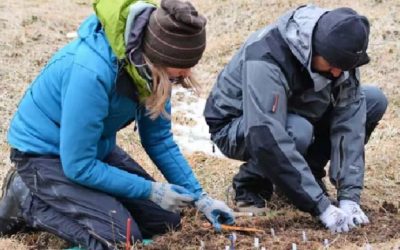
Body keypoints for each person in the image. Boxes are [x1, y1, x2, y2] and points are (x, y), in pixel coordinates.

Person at [0, 0, 234, 249]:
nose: (187, 73)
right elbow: (78, 165)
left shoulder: (148, 70)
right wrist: (149, 190)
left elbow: (159, 140)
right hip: (43, 155)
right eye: (183, 65)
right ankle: (26, 200)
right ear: (158, 55)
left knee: (166, 221)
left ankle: (92, 201)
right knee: (122, 239)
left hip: (92, 148)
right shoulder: (91, 73)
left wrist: (201, 198)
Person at [204, 5, 387, 233]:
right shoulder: (266, 55)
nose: (338, 73)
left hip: (295, 111)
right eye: (332, 65)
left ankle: (305, 174)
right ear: (314, 50)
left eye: (344, 68)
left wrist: (349, 197)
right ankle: (250, 184)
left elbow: (350, 121)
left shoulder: (341, 54)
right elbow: (265, 133)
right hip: (237, 125)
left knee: (372, 101)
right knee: (296, 129)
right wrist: (321, 206)